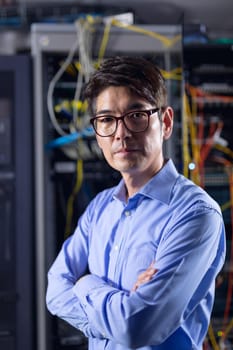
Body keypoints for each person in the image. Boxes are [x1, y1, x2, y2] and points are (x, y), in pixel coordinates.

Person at [46, 56, 226, 350]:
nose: (121, 133)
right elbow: (54, 290)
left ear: (165, 123)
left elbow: (135, 329)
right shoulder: (100, 208)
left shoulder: (195, 215)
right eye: (106, 120)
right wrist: (119, 309)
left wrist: (85, 284)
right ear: (97, 133)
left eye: (136, 115)